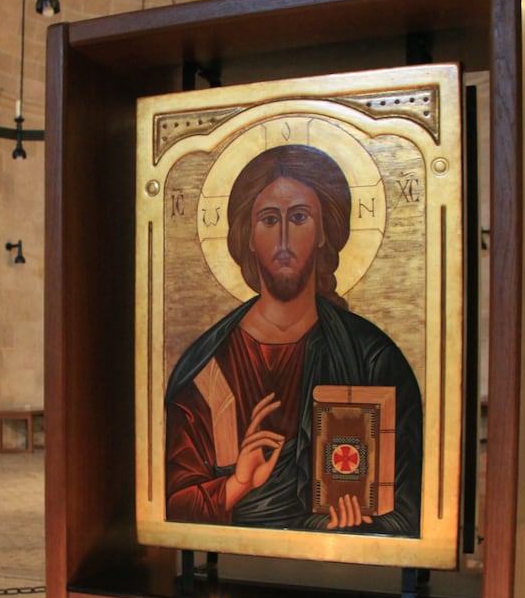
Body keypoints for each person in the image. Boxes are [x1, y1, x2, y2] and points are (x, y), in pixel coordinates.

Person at [165, 143, 422, 536]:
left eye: (299, 217)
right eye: (269, 220)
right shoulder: (210, 367)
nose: (284, 238)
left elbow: (409, 510)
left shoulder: (371, 357)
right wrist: (237, 485)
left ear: (322, 233)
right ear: (248, 236)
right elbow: (173, 503)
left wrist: (353, 526)